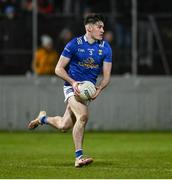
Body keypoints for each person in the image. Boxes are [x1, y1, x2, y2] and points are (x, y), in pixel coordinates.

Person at [28, 14, 112, 167]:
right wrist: (73, 83)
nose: (102, 30)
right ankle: (79, 157)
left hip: (87, 91)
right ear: (89, 28)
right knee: (83, 116)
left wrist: (100, 88)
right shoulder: (74, 44)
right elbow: (58, 69)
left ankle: (42, 119)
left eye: (103, 27)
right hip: (71, 88)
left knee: (64, 126)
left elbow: (106, 76)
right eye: (99, 27)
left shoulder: (105, 47)